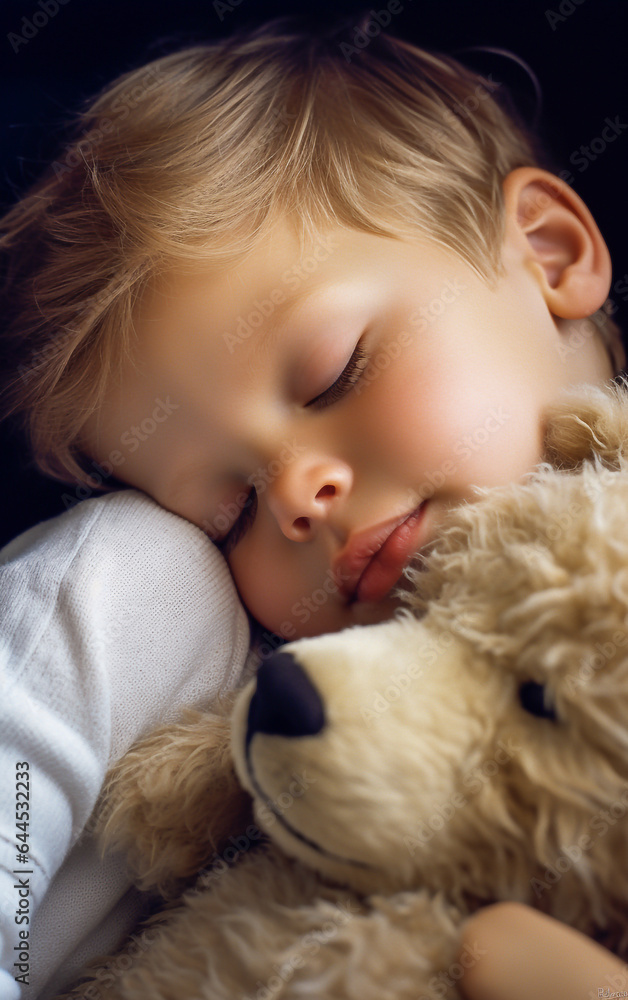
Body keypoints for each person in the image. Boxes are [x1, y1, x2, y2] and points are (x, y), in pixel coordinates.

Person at [0, 16, 625, 999]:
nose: (293, 494)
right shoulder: (190, 634)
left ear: (545, 253)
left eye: (334, 373)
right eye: (229, 510)